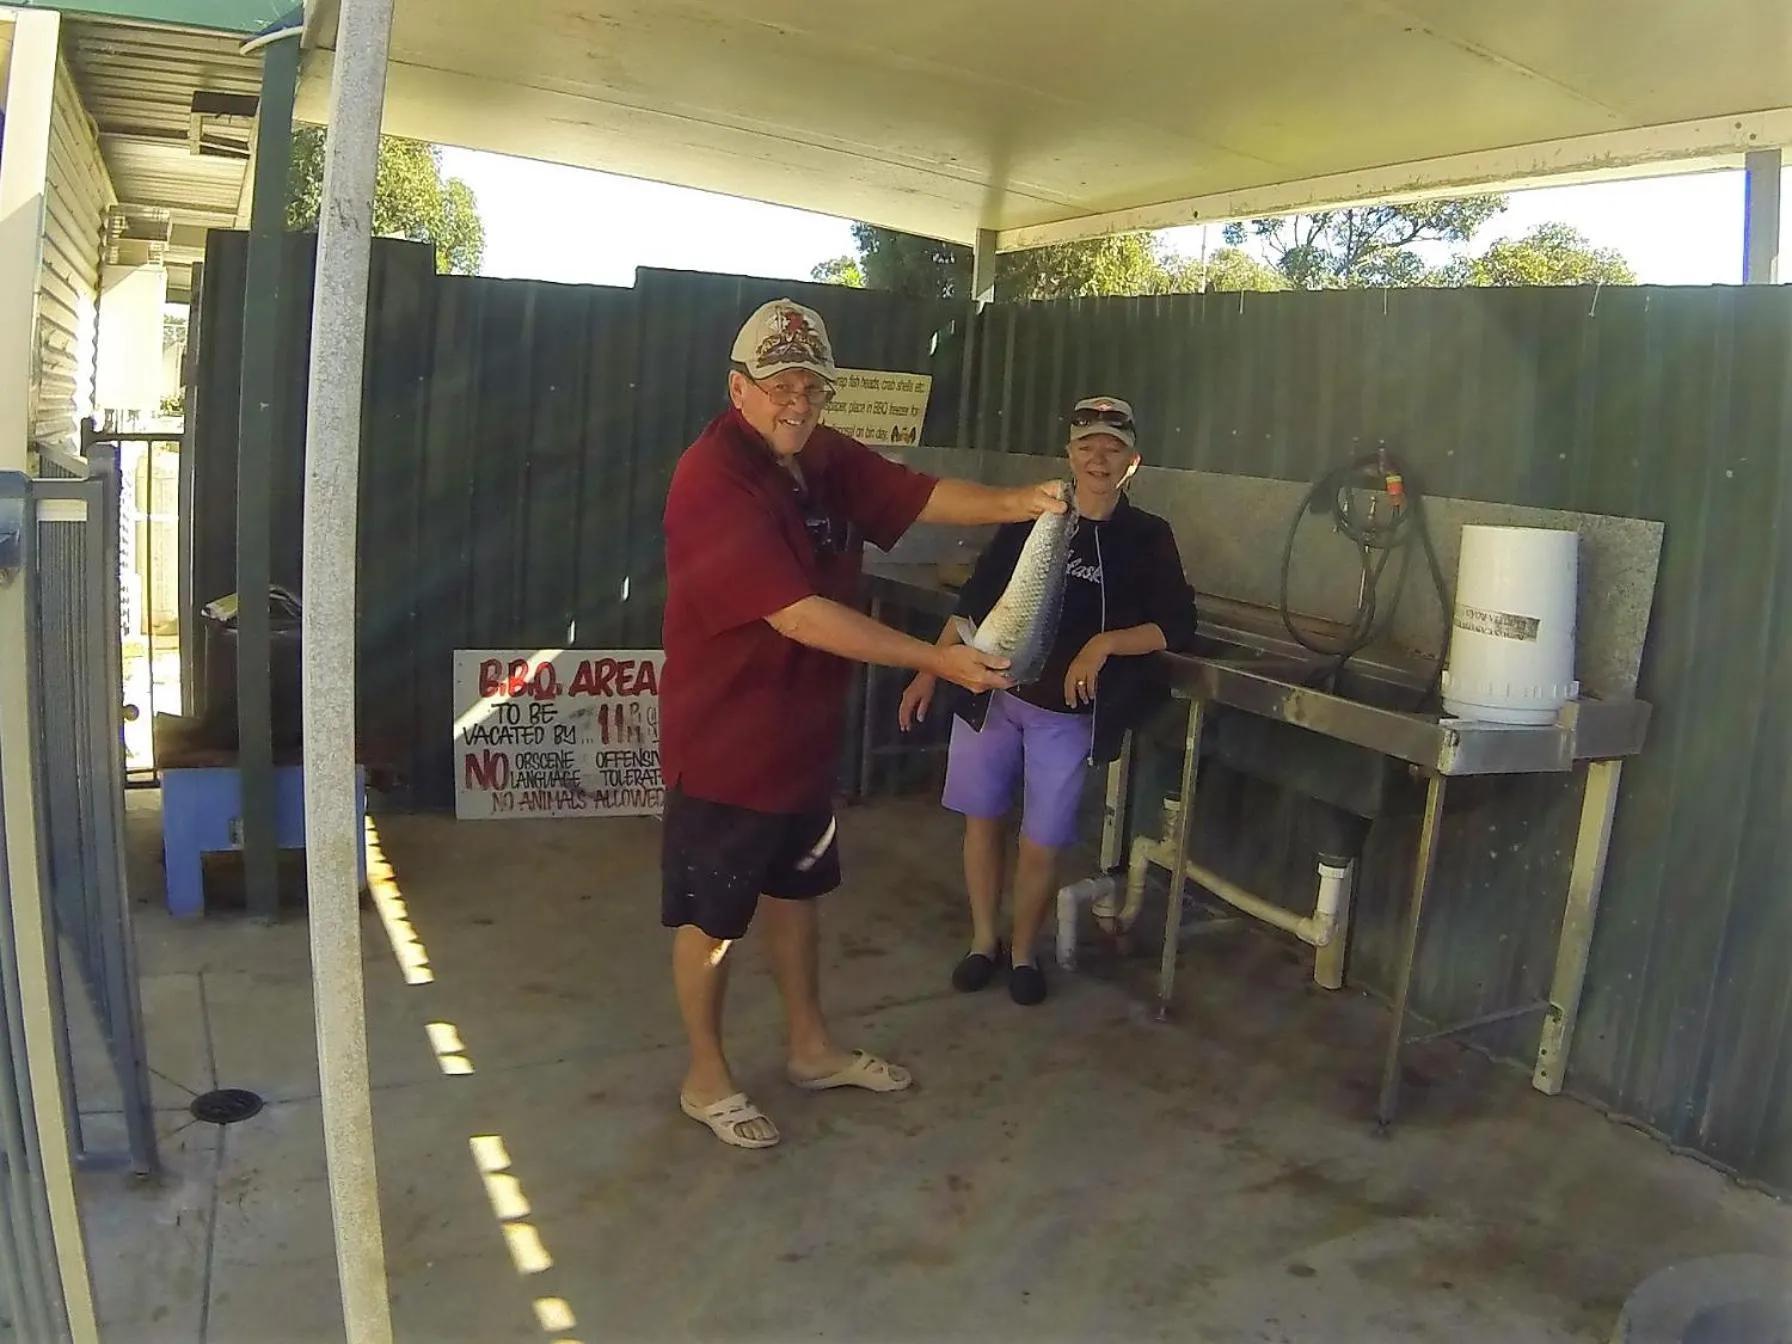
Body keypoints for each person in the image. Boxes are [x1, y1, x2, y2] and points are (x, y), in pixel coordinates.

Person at [659, 297, 1066, 1150]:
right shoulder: (712, 478)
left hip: (803, 739)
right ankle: (706, 1077)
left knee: (799, 892)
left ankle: (809, 1049)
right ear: (740, 388)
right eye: (778, 385)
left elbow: (916, 495)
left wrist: (1020, 504)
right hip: (728, 745)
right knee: (712, 922)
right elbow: (798, 615)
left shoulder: (823, 456)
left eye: (811, 386)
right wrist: (935, 658)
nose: (797, 402)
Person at [898, 397, 1198, 1006]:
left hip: (1068, 717)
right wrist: (929, 669)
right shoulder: (1030, 517)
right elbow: (975, 604)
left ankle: (1023, 952)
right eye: (1087, 444)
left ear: (1132, 463)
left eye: (1113, 448)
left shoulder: (1147, 537)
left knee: (1042, 838)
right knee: (982, 821)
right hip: (991, 696)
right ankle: (983, 941)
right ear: (1069, 454)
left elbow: (1177, 625)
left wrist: (1105, 645)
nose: (1098, 456)